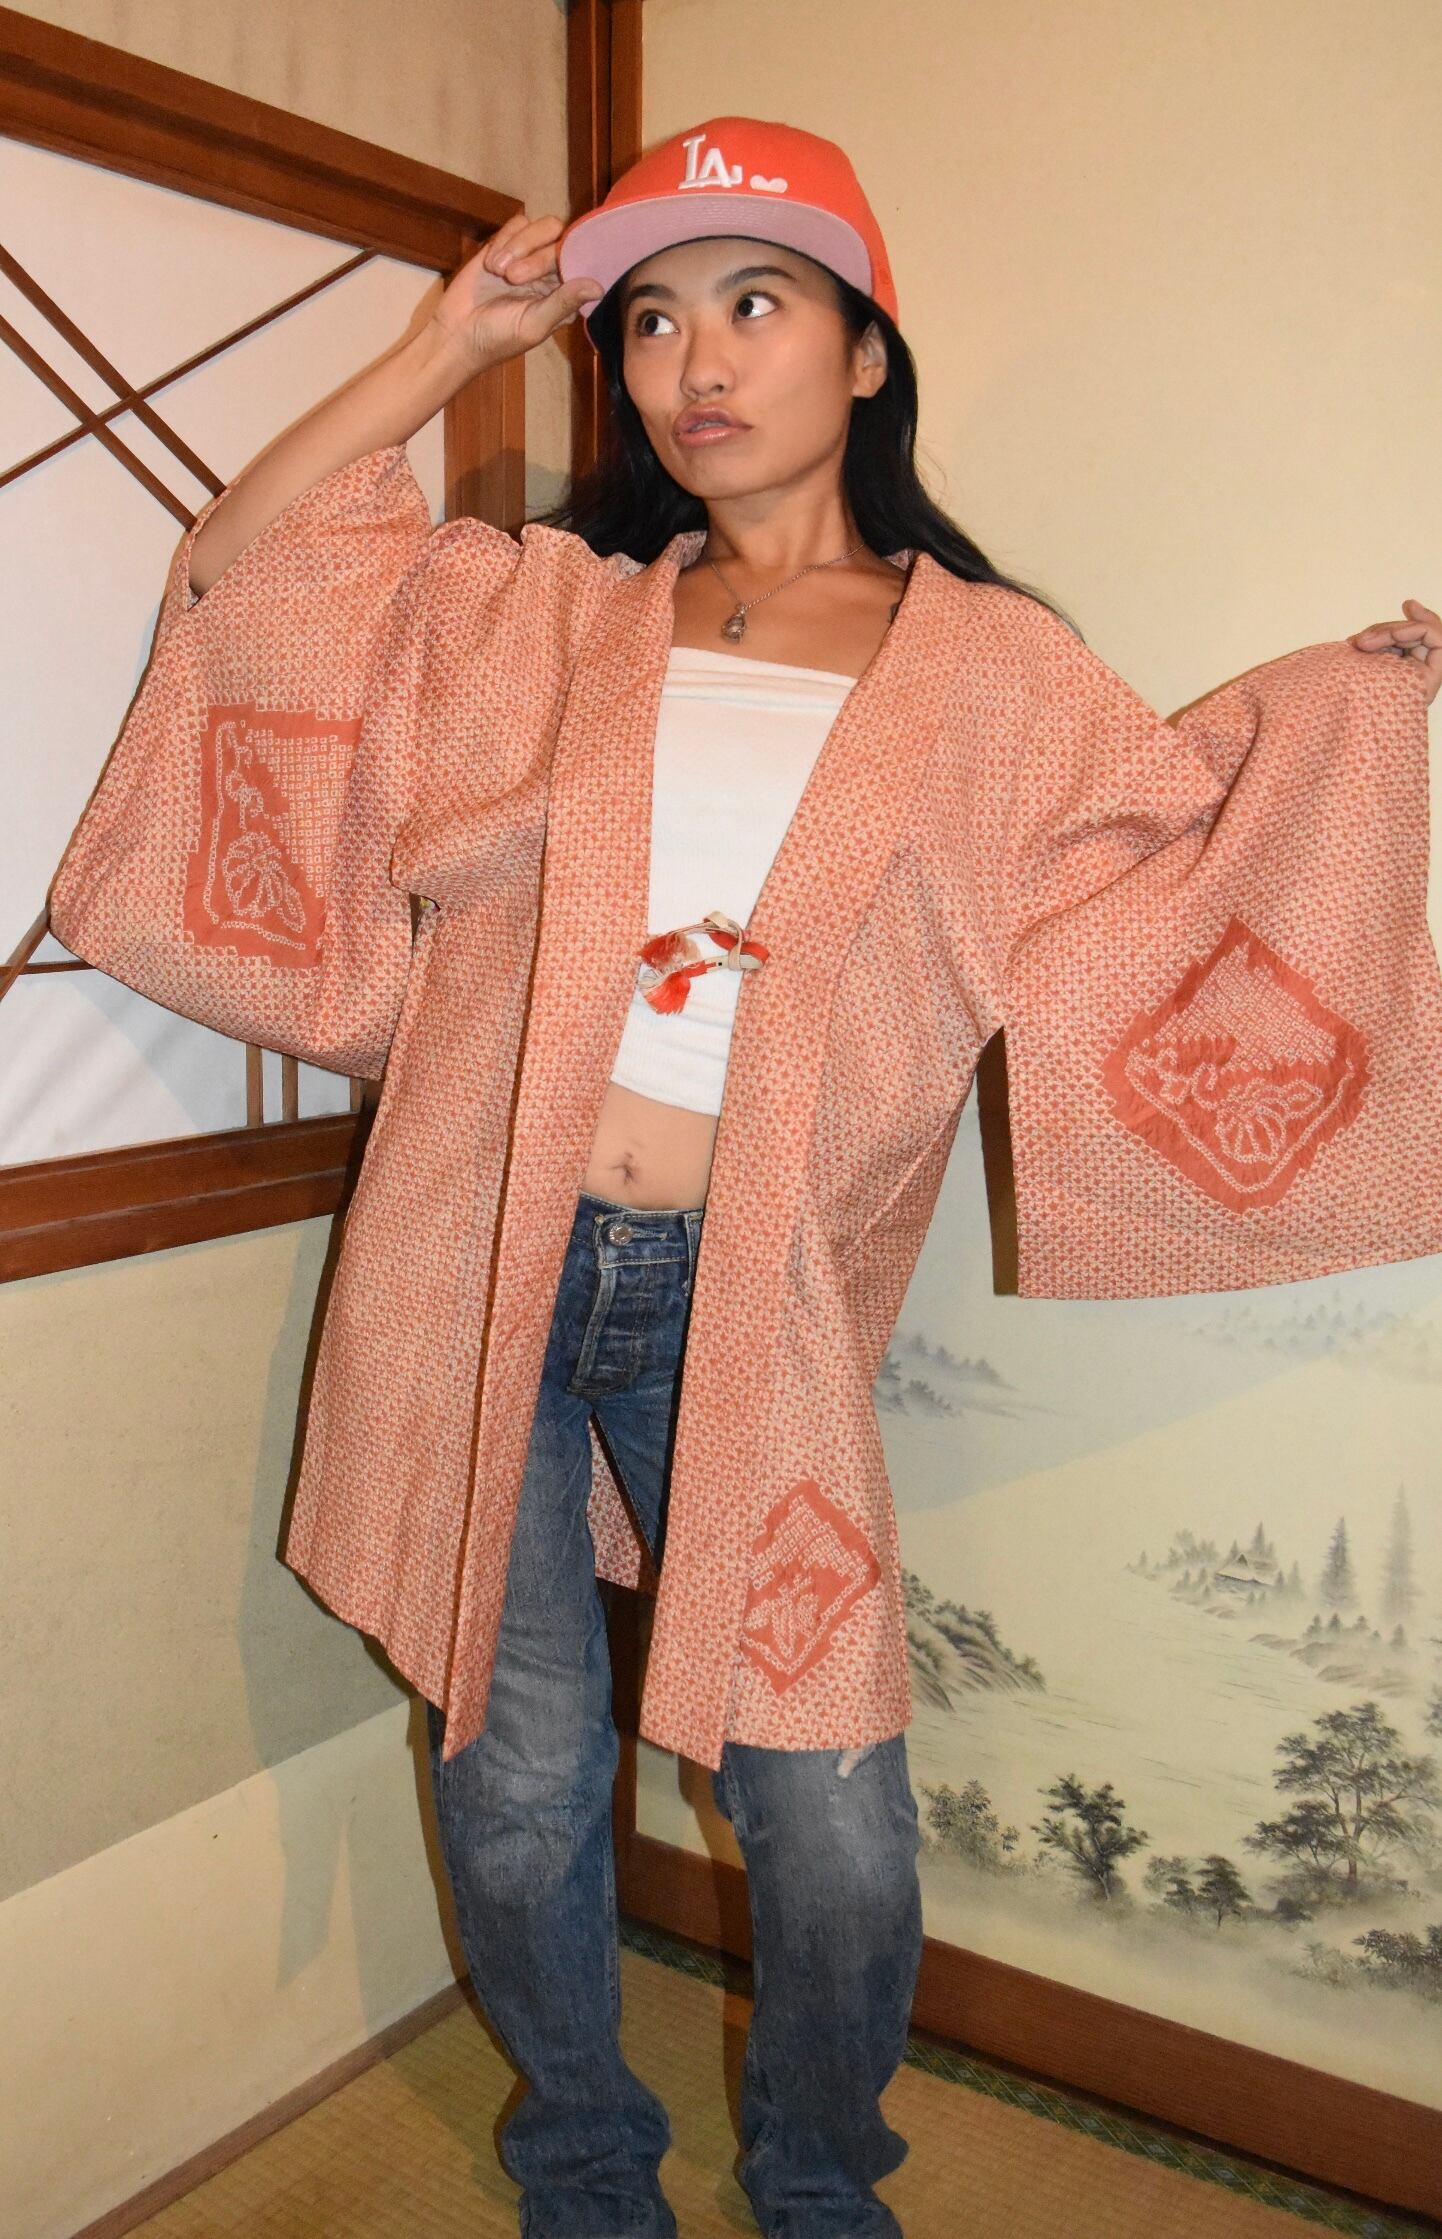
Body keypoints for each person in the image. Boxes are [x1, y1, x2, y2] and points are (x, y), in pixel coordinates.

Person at [55, 114, 1439, 2239]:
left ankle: (813, 2176)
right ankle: (584, 2165)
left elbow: (1167, 878)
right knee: (519, 1768)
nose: (694, 360)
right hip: (475, 1254)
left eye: (755, 302)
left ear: (865, 353)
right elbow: (250, 575)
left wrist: (1361, 714)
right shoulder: (541, 610)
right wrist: (447, 347)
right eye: (649, 320)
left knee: (831, 1805)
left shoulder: (999, 671)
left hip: (745, 1288)